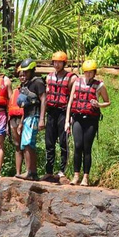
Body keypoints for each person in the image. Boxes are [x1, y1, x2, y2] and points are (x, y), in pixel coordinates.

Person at [65, 60, 110, 186]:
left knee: (87, 148)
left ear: (94, 72)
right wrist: (67, 120)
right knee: (78, 146)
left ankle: (85, 177)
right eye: (86, 72)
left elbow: (107, 101)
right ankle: (76, 176)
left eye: (91, 72)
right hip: (77, 117)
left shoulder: (99, 86)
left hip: (91, 119)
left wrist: (98, 104)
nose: (88, 74)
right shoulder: (77, 82)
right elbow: (70, 102)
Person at [44, 51, 76, 179]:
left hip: (64, 112)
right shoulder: (49, 77)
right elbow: (46, 95)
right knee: (49, 142)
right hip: (51, 112)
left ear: (64, 63)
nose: (57, 65)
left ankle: (62, 170)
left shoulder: (71, 78)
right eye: (55, 62)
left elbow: (72, 99)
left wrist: (70, 116)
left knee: (63, 142)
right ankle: (49, 170)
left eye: (59, 62)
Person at [15, 59, 46, 181]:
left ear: (33, 70)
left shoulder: (37, 83)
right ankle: (33, 172)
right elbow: (25, 106)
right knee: (28, 144)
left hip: (35, 116)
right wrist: (21, 122)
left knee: (27, 143)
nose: (25, 74)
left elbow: (44, 99)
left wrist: (42, 119)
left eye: (27, 72)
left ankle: (29, 171)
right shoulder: (26, 84)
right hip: (27, 116)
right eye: (24, 72)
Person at [7, 74, 25, 176]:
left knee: (26, 145)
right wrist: (7, 124)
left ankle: (28, 171)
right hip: (13, 119)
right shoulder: (15, 91)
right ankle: (18, 172)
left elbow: (27, 108)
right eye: (20, 76)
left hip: (23, 119)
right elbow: (9, 107)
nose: (22, 77)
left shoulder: (29, 90)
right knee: (17, 146)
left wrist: (21, 122)